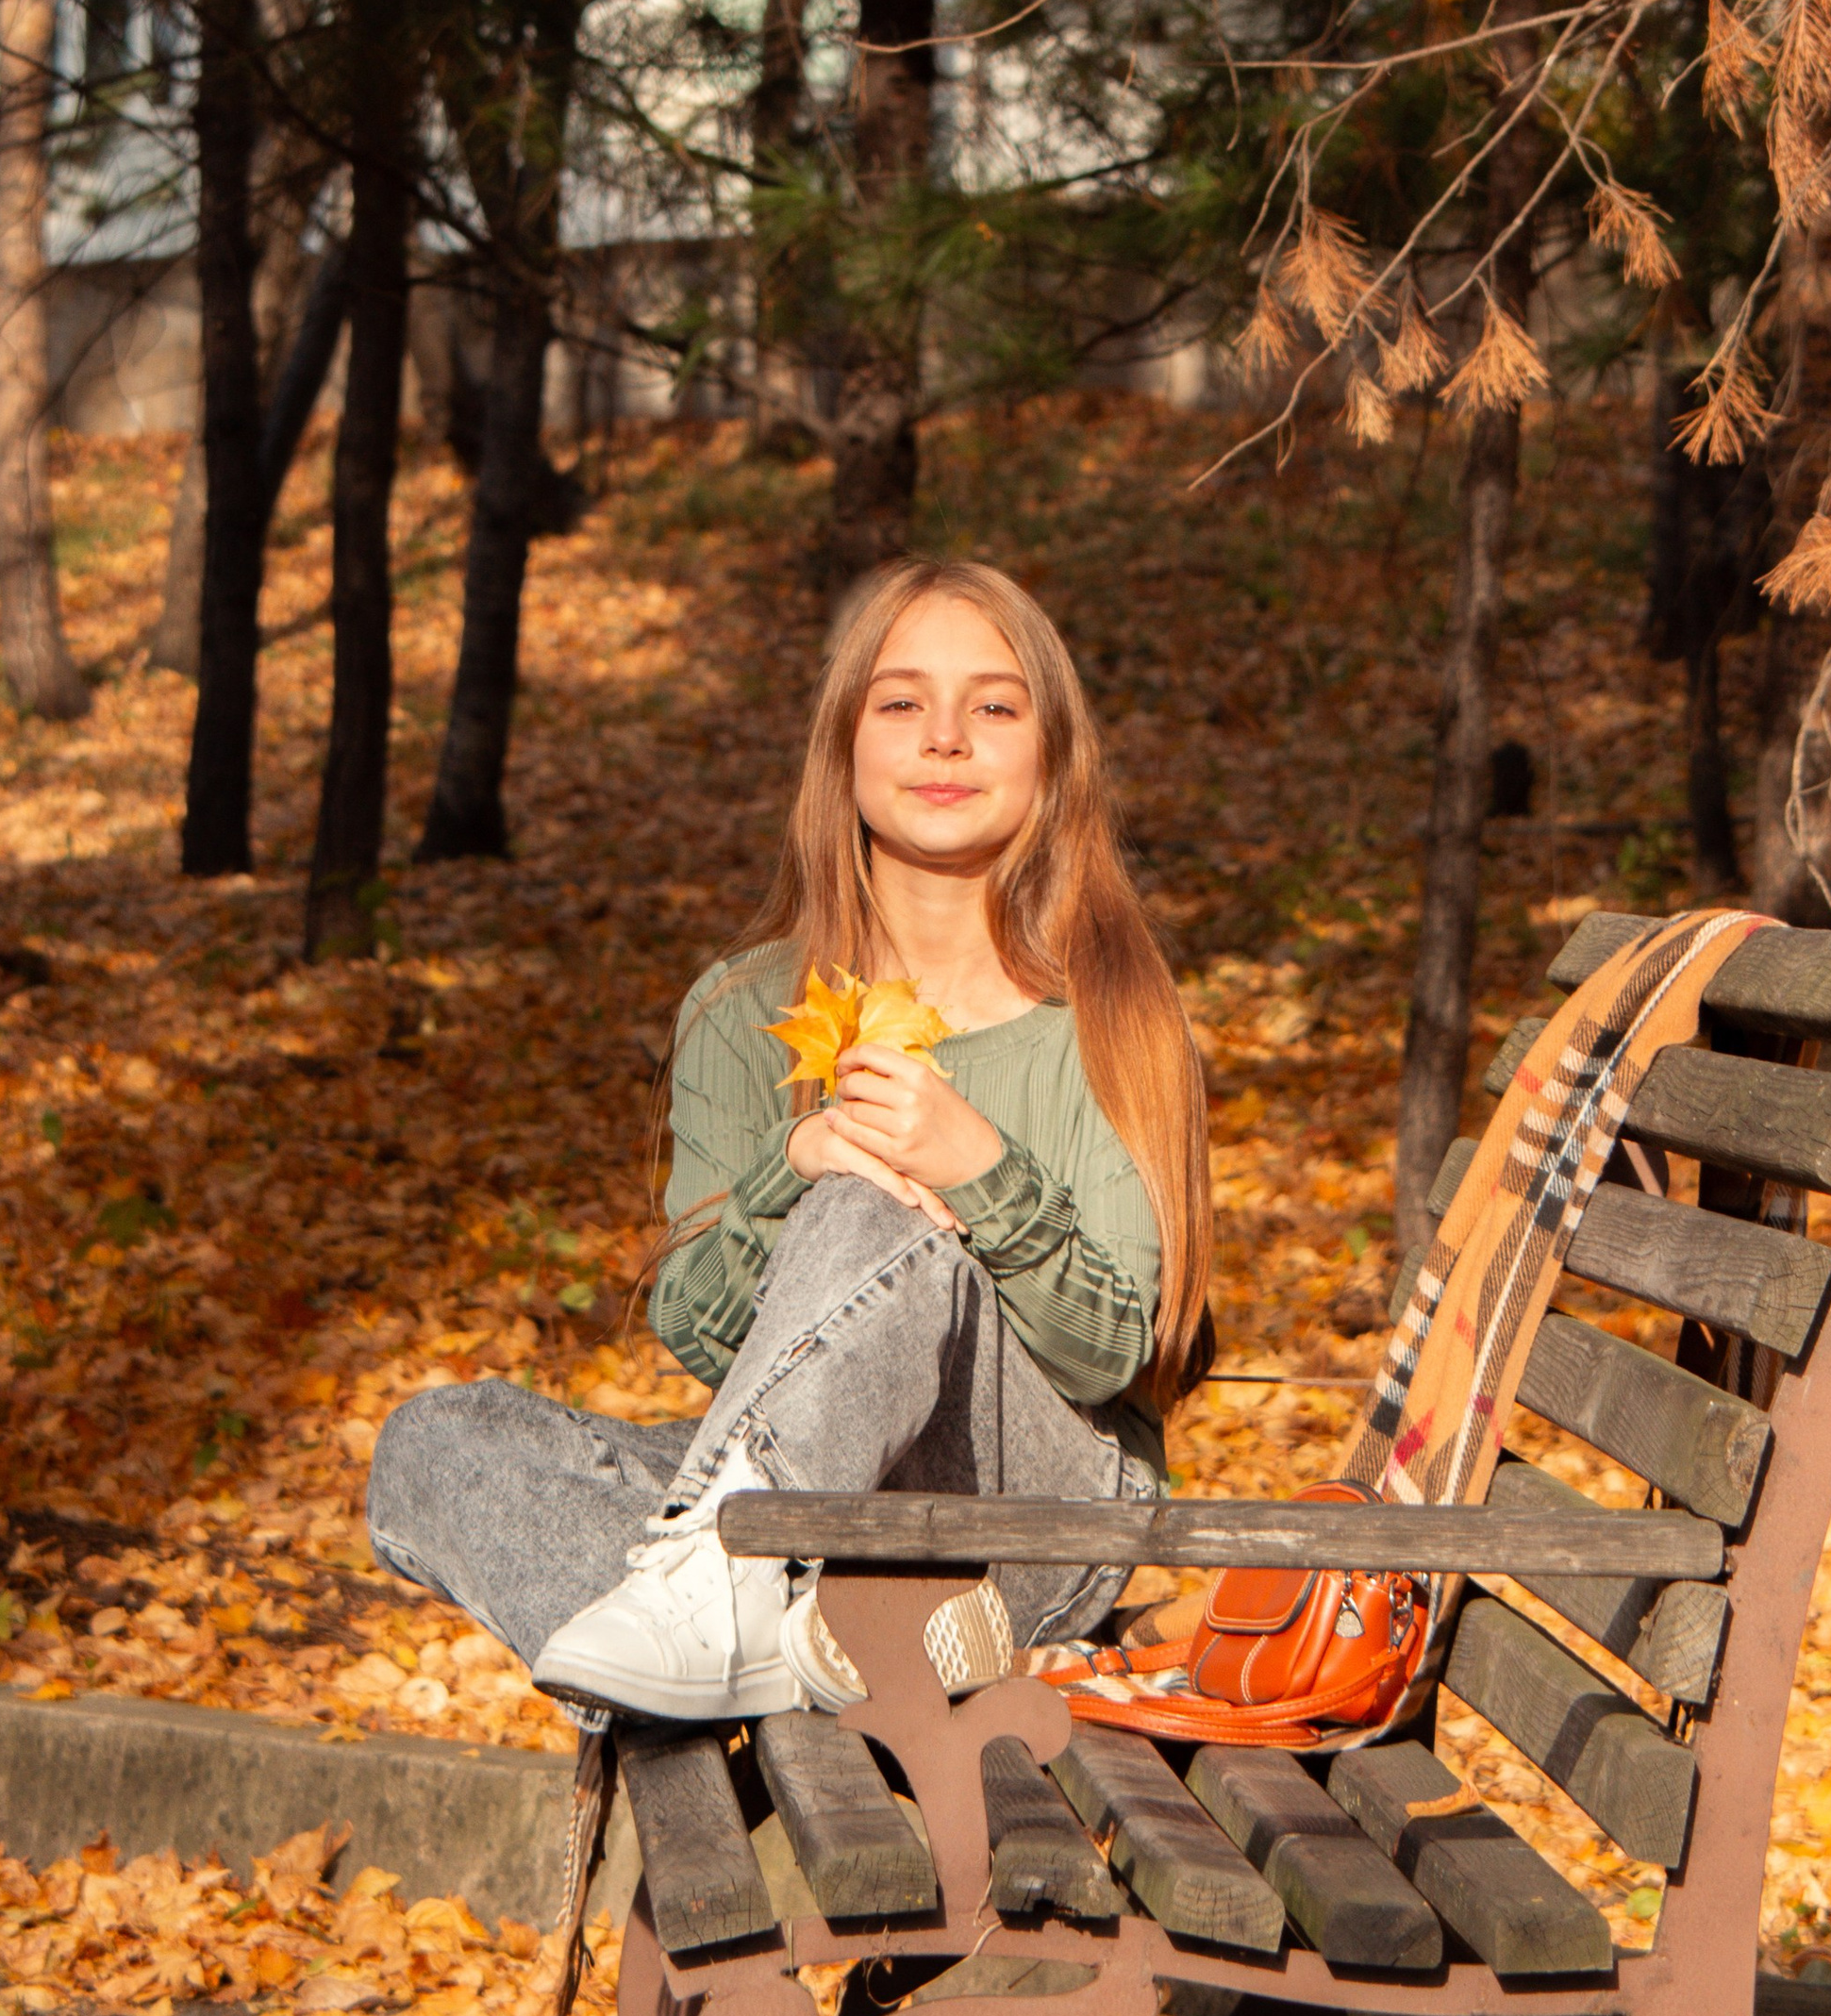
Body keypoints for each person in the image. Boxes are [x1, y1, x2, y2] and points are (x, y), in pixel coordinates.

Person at [365, 558, 1214, 1728]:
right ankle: (778, 1638)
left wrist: (976, 1170)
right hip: (803, 1497)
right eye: (901, 701)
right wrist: (792, 1165)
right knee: (434, 1444)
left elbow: (1109, 1356)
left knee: (873, 1202)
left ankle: (725, 1608)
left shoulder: (1113, 1015)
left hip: (1031, 1523)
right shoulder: (742, 1006)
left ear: (1052, 756)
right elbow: (701, 1333)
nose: (946, 738)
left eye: (995, 705)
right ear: (843, 746)